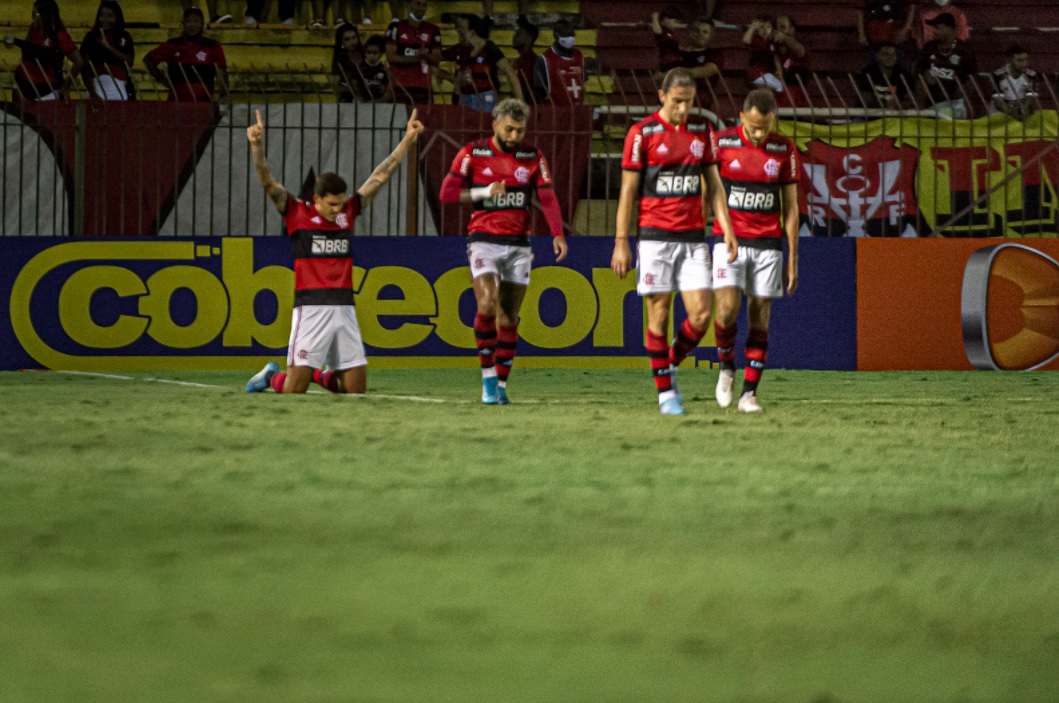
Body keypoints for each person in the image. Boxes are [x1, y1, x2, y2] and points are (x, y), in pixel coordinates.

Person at [245, 108, 424, 395]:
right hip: (311, 308)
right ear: (316, 198)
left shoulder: (347, 213)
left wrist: (407, 141)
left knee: (354, 391)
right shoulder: (295, 213)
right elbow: (268, 181)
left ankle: (321, 374)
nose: (338, 209)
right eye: (332, 204)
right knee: (293, 391)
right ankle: (271, 378)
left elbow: (380, 176)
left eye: (341, 203)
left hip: (344, 308)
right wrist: (256, 146)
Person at [611, 68, 738, 416]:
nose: (684, 109)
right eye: (678, 101)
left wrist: (726, 227)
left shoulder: (702, 132)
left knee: (700, 316)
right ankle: (666, 394)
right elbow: (627, 191)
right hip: (654, 238)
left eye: (689, 102)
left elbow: (714, 186)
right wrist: (622, 240)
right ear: (662, 96)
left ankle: (668, 363)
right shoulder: (642, 134)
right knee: (659, 313)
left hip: (693, 237)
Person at [438, 98, 569, 404]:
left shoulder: (532, 156)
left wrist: (558, 234)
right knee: (487, 303)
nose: (514, 136)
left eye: (520, 131)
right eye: (509, 129)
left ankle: (500, 385)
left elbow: (547, 198)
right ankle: (486, 381)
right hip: (483, 239)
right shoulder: (472, 153)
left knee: (509, 315)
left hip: (519, 244)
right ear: (494, 123)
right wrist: (484, 192)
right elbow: (447, 193)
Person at [708, 88, 800, 413]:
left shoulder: (784, 150)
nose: (759, 134)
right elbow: (711, 192)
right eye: (754, 126)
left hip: (768, 245)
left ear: (773, 119)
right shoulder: (720, 143)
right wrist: (725, 228)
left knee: (760, 316)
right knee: (727, 309)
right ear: (742, 117)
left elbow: (791, 210)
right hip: (729, 241)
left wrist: (792, 259)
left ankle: (749, 394)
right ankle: (725, 366)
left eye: (765, 127)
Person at [3, 0, 83, 101]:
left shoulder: (58, 35)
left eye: (36, 14)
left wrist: (66, 86)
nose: (33, 17)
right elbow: (31, 49)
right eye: (32, 13)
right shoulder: (33, 29)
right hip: (22, 85)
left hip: (46, 91)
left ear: (45, 15)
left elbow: (79, 61)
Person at [144, 7, 228, 102]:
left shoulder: (213, 46)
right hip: (176, 105)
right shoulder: (172, 45)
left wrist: (223, 97)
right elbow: (148, 60)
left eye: (196, 21)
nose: (192, 25)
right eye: (188, 21)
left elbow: (221, 75)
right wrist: (164, 81)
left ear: (202, 25)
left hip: (203, 105)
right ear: (183, 24)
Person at [440, 14, 521, 112]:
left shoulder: (489, 48)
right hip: (464, 97)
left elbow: (510, 72)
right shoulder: (460, 49)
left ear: (473, 32)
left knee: (484, 125)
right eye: (458, 28)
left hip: (485, 97)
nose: (458, 31)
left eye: (462, 29)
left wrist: (520, 102)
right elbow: (435, 59)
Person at [914, 12, 976, 119]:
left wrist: (963, 94)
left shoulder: (965, 51)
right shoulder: (929, 48)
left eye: (938, 28)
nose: (934, 32)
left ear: (949, 29)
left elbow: (971, 79)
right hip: (931, 105)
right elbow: (919, 75)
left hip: (955, 104)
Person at [385, 0, 441, 105]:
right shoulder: (395, 27)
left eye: (424, 5)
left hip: (423, 89)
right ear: (409, 5)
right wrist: (417, 58)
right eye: (418, 4)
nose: (422, 8)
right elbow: (390, 57)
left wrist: (425, 55)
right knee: (400, 121)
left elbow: (436, 60)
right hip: (400, 88)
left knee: (423, 121)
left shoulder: (433, 29)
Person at [80, 0, 134, 100]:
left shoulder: (124, 36)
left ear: (117, 17)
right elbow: (85, 67)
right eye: (102, 15)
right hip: (96, 83)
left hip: (118, 83)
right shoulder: (91, 37)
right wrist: (92, 92)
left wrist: (109, 47)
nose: (105, 19)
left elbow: (129, 62)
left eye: (110, 15)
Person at [532, 18, 585, 106]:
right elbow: (538, 93)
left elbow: (582, 83)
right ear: (555, 36)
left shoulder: (579, 57)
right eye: (565, 34)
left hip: (577, 112)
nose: (570, 38)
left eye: (571, 34)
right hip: (555, 114)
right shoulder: (544, 60)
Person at [680, 17, 723, 109]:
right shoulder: (676, 52)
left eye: (705, 32)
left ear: (711, 35)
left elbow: (708, 70)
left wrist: (675, 73)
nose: (700, 34)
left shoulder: (715, 54)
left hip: (699, 108)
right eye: (696, 30)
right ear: (690, 32)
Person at [856, 42, 914, 109]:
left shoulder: (903, 74)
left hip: (897, 114)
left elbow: (910, 100)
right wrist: (886, 105)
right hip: (872, 115)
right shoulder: (867, 73)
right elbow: (866, 100)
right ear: (877, 56)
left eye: (893, 54)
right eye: (885, 54)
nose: (890, 57)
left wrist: (898, 105)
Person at [990, 44, 1040, 121]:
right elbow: (999, 102)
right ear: (1009, 60)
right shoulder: (999, 75)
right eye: (1020, 60)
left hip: (1023, 114)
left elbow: (1031, 99)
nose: (1024, 64)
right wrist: (1014, 116)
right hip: (1001, 114)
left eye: (1026, 60)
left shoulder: (1031, 75)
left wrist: (1024, 112)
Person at [857, 0, 914, 65]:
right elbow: (860, 10)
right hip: (874, 33)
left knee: (899, 64)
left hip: (897, 31)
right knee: (874, 65)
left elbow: (912, 6)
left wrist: (906, 28)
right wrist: (861, 33)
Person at [772, 14, 809, 107]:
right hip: (775, 107)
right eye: (776, 28)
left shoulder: (800, 49)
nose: (779, 31)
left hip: (795, 107)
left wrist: (784, 38)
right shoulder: (773, 51)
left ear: (792, 30)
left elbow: (800, 51)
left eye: (783, 27)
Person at [743, 16, 781, 93]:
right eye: (761, 27)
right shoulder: (756, 40)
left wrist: (779, 70)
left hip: (768, 72)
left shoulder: (772, 43)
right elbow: (746, 40)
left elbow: (775, 57)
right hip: (756, 73)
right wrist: (752, 28)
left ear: (773, 30)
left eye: (768, 27)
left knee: (779, 86)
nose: (764, 30)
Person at [512, 15, 543, 104]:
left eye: (518, 34)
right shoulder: (522, 60)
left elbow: (528, 88)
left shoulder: (529, 61)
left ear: (529, 39)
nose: (514, 37)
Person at [353, 36, 393, 102]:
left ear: (381, 54)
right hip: (362, 100)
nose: (371, 56)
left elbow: (389, 82)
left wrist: (385, 89)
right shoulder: (359, 67)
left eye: (375, 53)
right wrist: (358, 94)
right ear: (365, 52)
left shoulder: (384, 68)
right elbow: (354, 82)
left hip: (378, 100)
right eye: (368, 53)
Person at [331, 22, 363, 101]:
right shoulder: (339, 61)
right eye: (347, 39)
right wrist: (354, 88)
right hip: (348, 100)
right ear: (342, 43)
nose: (352, 42)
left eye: (354, 37)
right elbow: (336, 88)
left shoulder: (367, 55)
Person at [650, 7, 685, 76]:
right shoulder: (663, 31)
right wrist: (655, 17)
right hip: (666, 61)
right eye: (675, 22)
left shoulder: (672, 33)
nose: (677, 25)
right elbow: (657, 31)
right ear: (665, 19)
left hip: (675, 60)